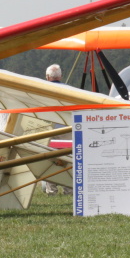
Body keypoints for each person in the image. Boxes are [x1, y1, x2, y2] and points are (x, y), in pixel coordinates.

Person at [43, 63, 73, 195]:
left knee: (50, 160)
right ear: (60, 76)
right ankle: (69, 189)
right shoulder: (70, 90)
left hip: (49, 129)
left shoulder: (42, 89)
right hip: (66, 128)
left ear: (47, 77)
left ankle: (51, 190)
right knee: (68, 159)